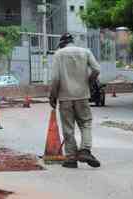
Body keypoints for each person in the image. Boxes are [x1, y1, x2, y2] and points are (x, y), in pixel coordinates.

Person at [50, 33, 101, 168]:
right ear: (72, 42)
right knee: (85, 123)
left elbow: (55, 78)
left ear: (61, 44)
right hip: (83, 95)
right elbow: (96, 69)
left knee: (68, 128)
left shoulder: (59, 54)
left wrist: (53, 96)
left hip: (65, 97)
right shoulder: (85, 52)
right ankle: (85, 150)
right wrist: (88, 82)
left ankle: (71, 159)